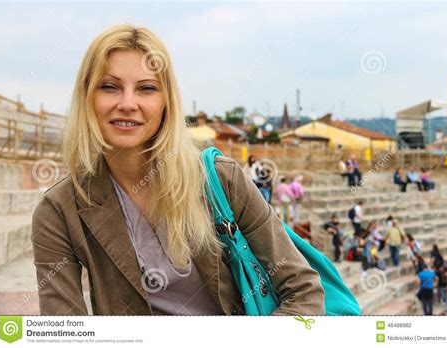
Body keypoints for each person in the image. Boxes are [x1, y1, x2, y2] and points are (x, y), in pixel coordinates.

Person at [30, 24, 325, 316]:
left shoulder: (222, 181)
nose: (128, 103)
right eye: (109, 87)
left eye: (146, 89)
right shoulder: (59, 211)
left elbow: (303, 290)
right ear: (87, 97)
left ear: (167, 102)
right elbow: (64, 331)